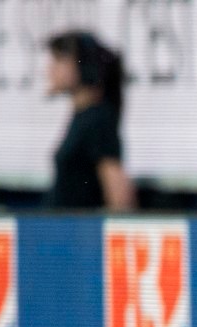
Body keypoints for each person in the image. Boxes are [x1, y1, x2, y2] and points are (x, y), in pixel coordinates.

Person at [45, 31, 135, 211]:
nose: (50, 69)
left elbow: (118, 193)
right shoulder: (82, 116)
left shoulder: (96, 118)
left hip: (80, 234)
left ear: (82, 66)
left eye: (59, 60)